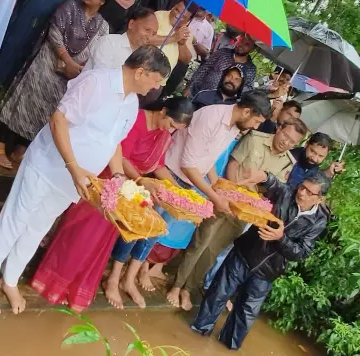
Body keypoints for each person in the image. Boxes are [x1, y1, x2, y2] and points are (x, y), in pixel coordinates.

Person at [0, 45, 171, 316]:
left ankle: (9, 279)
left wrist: (119, 177)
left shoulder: (131, 103)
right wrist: (74, 167)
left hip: (75, 179)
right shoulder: (96, 83)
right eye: (156, 80)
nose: (157, 87)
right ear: (140, 72)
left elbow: (114, 143)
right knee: (16, 218)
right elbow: (58, 120)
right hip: (49, 165)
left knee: (37, 228)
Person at [32, 97, 194, 312]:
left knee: (101, 240)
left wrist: (180, 192)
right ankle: (54, 281)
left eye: (176, 129)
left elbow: (159, 165)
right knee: (82, 234)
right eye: (172, 125)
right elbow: (121, 156)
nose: (171, 131)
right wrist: (139, 180)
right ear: (163, 111)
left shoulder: (163, 135)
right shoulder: (136, 119)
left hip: (129, 192)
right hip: (108, 181)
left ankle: (75, 286)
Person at [167, 118, 308, 311]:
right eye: (286, 135)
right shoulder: (255, 139)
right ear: (279, 128)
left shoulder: (287, 163)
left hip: (246, 213)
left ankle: (188, 289)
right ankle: (176, 286)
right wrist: (234, 194)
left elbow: (274, 191)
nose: (287, 143)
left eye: (293, 142)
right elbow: (232, 165)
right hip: (224, 201)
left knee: (213, 251)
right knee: (201, 243)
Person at [139, 92, 272, 291]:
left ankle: (137, 269)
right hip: (170, 175)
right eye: (256, 121)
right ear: (246, 111)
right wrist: (214, 196)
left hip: (187, 182)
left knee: (159, 229)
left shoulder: (232, 126)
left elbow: (208, 158)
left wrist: (217, 183)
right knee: (148, 226)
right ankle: (135, 271)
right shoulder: (211, 117)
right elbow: (188, 165)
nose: (255, 126)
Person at [192, 170, 331, 350]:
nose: (302, 193)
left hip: (267, 272)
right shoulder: (286, 193)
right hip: (244, 254)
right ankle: (196, 333)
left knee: (246, 314)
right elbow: (273, 183)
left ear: (319, 199)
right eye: (302, 186)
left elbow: (301, 253)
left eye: (309, 192)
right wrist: (263, 176)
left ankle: (227, 348)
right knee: (218, 294)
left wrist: (281, 238)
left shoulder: (318, 222)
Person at [0, 0, 111, 169]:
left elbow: (96, 52)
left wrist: (75, 68)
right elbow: (54, 33)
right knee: (26, 100)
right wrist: (68, 61)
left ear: (103, 0)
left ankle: (20, 149)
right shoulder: (69, 7)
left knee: (45, 110)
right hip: (47, 61)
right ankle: (0, 143)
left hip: (69, 75)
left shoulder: (102, 26)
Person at [145, 0, 198, 105]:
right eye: (177, 10)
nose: (177, 15)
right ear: (174, 6)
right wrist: (173, 38)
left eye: (183, 16)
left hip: (158, 83)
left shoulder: (186, 32)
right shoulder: (158, 16)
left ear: (188, 20)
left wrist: (181, 44)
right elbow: (147, 39)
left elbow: (186, 59)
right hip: (143, 73)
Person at [82, 7, 158, 72]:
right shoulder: (109, 42)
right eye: (147, 30)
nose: (149, 36)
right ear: (131, 24)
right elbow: (100, 77)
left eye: (153, 34)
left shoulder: (143, 58)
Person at [189, 34, 256, 97]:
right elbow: (204, 69)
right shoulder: (223, 53)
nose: (241, 45)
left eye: (247, 44)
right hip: (201, 93)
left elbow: (247, 90)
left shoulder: (250, 69)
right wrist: (190, 87)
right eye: (241, 41)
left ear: (252, 49)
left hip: (222, 104)